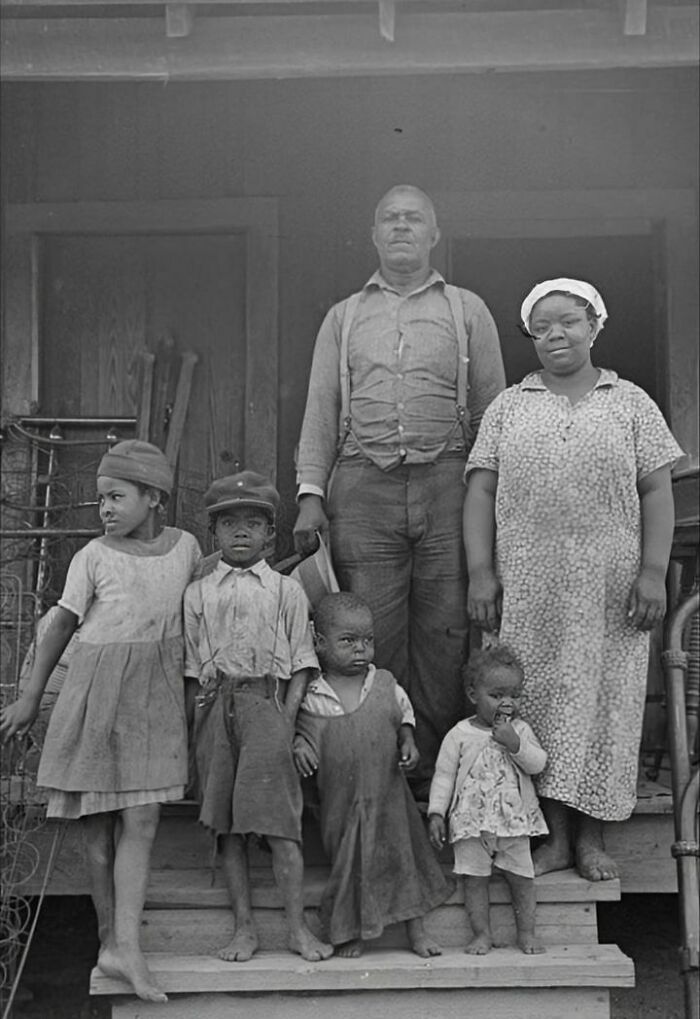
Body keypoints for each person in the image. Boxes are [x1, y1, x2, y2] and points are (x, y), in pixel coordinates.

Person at [463, 278, 683, 881]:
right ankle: (552, 837)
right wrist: (482, 571)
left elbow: (657, 489)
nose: (555, 335)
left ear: (594, 327)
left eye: (568, 322)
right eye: (541, 327)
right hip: (528, 587)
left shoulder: (630, 402)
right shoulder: (510, 406)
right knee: (528, 704)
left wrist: (653, 573)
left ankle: (592, 838)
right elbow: (481, 490)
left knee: (602, 705)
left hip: (610, 588)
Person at [293, 185, 506, 796]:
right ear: (374, 234)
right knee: (368, 630)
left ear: (435, 234)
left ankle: (441, 777)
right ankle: (375, 772)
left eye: (415, 219)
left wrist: (493, 502)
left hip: (450, 484)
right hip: (362, 484)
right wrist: (311, 492)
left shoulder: (467, 310)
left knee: (446, 634)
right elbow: (320, 409)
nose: (402, 227)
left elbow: (496, 410)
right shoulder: (344, 316)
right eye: (391, 218)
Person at [0, 440, 202, 1002]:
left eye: (116, 497)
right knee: (97, 832)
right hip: (94, 695)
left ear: (154, 498)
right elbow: (61, 627)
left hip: (155, 697)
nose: (105, 509)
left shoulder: (185, 548)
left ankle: (127, 946)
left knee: (143, 820)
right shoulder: (92, 556)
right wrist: (28, 697)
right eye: (99, 500)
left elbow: (192, 615)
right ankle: (108, 939)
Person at [184, 471, 333, 964]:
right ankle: (244, 928)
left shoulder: (286, 592)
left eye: (253, 523)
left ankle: (296, 929)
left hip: (267, 705)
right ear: (214, 534)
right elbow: (191, 667)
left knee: (280, 824)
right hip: (214, 707)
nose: (241, 532)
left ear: (271, 533)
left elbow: (302, 664)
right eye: (229, 524)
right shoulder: (199, 593)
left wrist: (284, 722)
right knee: (227, 827)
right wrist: (195, 729)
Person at [293, 592, 451, 958]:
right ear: (319, 644)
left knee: (404, 860)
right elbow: (305, 734)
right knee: (352, 869)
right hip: (342, 807)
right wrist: (301, 746)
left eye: (368, 640)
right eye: (347, 641)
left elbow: (403, 718)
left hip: (389, 798)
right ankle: (351, 930)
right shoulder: (313, 694)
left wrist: (409, 742)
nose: (361, 650)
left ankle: (417, 932)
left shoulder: (383, 683)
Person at [428, 646, 548, 955]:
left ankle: (527, 933)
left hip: (514, 823)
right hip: (471, 824)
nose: (507, 703)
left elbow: (537, 764)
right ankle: (482, 934)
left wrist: (515, 744)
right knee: (474, 880)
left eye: (515, 695)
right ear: (473, 694)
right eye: (497, 695)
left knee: (522, 878)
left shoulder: (520, 730)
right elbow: (444, 776)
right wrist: (437, 813)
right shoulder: (460, 734)